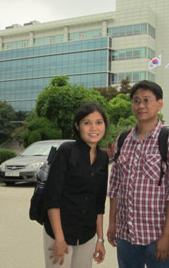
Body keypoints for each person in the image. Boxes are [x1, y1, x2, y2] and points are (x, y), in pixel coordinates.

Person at [107, 80, 169, 268]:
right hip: (126, 235)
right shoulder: (123, 139)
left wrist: (167, 236)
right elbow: (115, 187)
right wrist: (112, 224)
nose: (141, 106)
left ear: (159, 104)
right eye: (136, 101)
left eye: (146, 100)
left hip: (157, 236)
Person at [43, 102, 109, 268]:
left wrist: (100, 239)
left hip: (86, 234)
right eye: (87, 122)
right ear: (77, 126)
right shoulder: (66, 151)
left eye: (99, 122)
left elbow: (99, 203)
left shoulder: (103, 158)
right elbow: (52, 198)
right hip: (59, 232)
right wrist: (59, 239)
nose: (94, 128)